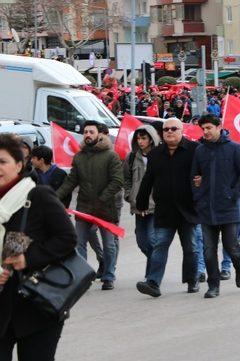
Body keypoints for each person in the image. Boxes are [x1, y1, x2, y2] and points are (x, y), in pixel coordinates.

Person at [0, 134, 78, 361]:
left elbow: (67, 237)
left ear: (19, 164)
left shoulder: (37, 195)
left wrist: (28, 258)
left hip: (37, 305)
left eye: (2, 162)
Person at [135, 118, 200, 297]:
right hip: (164, 210)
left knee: (191, 247)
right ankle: (153, 283)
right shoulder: (156, 154)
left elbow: (204, 173)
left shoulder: (194, 150)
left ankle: (192, 279)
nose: (169, 132)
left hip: (188, 209)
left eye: (173, 128)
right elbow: (148, 179)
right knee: (160, 245)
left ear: (181, 130)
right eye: (166, 129)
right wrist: (141, 203)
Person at [56, 121, 123, 291]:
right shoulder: (79, 157)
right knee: (79, 243)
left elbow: (117, 181)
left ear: (99, 134)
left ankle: (108, 276)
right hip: (84, 208)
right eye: (85, 132)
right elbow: (71, 181)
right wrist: (54, 197)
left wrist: (102, 198)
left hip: (105, 208)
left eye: (91, 132)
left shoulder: (111, 155)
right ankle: (83, 278)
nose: (87, 135)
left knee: (109, 244)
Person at [191, 114, 240, 299]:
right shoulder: (200, 151)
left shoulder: (234, 148)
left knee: (231, 245)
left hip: (228, 207)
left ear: (219, 127)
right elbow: (194, 177)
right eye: (203, 129)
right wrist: (198, 195)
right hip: (206, 208)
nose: (206, 132)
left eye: (209, 128)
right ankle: (213, 285)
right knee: (209, 250)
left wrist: (233, 194)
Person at [123, 124, 161, 282]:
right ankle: (155, 265)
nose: (140, 141)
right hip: (138, 206)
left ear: (151, 140)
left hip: (155, 207)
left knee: (152, 240)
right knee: (142, 241)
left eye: (144, 138)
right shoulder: (132, 157)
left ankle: (152, 275)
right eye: (138, 138)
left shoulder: (159, 156)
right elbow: (126, 178)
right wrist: (129, 195)